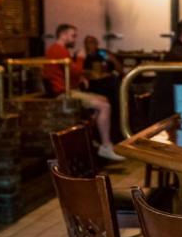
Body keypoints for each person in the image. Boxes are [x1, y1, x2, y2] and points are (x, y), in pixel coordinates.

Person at [44, 24, 124, 161]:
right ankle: (106, 146)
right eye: (73, 35)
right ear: (63, 35)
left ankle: (89, 138)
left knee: (104, 100)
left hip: (68, 90)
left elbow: (69, 73)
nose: (75, 39)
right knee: (105, 106)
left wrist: (80, 77)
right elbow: (75, 71)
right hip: (64, 93)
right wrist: (81, 58)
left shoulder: (57, 49)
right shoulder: (59, 50)